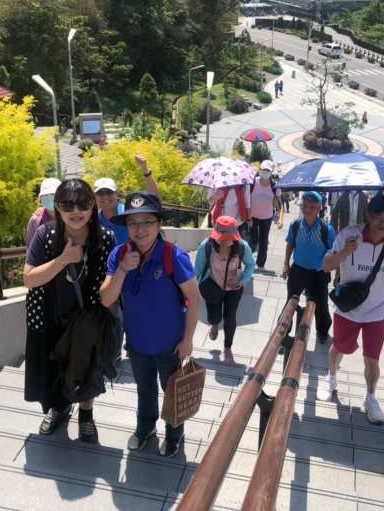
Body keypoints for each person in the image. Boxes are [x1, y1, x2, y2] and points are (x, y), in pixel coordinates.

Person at [100, 191, 202, 457]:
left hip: (170, 344)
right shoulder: (119, 255)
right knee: (144, 389)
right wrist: (122, 269)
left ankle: (174, 434)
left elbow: (194, 298)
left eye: (147, 222)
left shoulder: (173, 256)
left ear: (158, 224)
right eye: (133, 223)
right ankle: (145, 428)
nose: (140, 229)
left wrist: (188, 339)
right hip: (136, 341)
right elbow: (106, 298)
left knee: (171, 391)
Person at [23, 178, 115, 442]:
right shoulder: (46, 235)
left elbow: (108, 283)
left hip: (87, 317)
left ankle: (86, 415)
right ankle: (59, 408)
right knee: (52, 367)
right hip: (49, 315)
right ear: (58, 208)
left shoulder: (105, 238)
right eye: (67, 204)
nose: (76, 211)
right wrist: (63, 259)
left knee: (87, 367)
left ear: (92, 206)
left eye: (83, 203)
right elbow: (29, 279)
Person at [319, 194, 384, 425]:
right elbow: (326, 265)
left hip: (378, 309)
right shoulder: (348, 235)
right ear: (367, 215)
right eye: (377, 215)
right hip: (348, 308)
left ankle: (370, 397)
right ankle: (331, 377)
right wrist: (344, 254)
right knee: (339, 347)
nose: (383, 221)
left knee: (372, 358)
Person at [194, 216, 256, 363]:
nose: (223, 241)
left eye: (227, 238)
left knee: (230, 317)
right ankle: (214, 324)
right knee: (214, 316)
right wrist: (194, 290)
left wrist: (243, 281)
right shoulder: (206, 246)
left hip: (234, 288)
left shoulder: (242, 247)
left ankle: (227, 347)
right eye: (221, 237)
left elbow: (251, 265)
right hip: (212, 286)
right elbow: (197, 270)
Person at [283, 191, 336, 343]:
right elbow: (290, 244)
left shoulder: (327, 230)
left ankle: (322, 331)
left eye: (312, 206)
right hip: (298, 270)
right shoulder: (296, 225)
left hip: (318, 273)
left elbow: (334, 251)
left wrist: (337, 273)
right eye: (304, 206)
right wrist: (286, 263)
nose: (307, 209)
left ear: (319, 207)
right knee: (290, 303)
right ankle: (284, 334)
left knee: (321, 305)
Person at [94, 154, 160, 246]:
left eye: (109, 192)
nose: (105, 197)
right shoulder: (94, 220)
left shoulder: (130, 211)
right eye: (100, 193)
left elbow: (155, 201)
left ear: (117, 194)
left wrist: (146, 171)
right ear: (95, 197)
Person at [249, 160, 284, 269]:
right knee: (253, 240)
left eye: (268, 170)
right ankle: (248, 261)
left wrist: (281, 219)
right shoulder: (253, 183)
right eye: (264, 169)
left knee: (263, 242)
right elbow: (246, 200)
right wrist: (247, 216)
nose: (265, 172)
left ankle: (260, 265)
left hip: (267, 218)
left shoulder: (274, 186)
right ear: (260, 170)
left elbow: (280, 205)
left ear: (271, 172)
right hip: (252, 217)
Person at [25, 177, 61, 246]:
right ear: (41, 198)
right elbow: (30, 249)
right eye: (46, 195)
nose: (50, 198)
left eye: (53, 194)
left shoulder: (70, 216)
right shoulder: (35, 220)